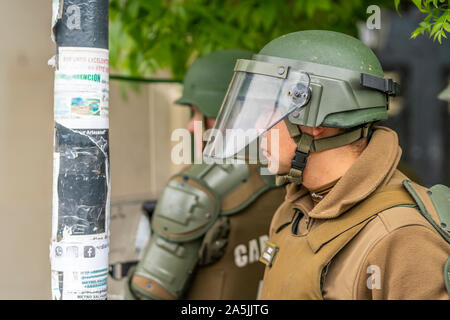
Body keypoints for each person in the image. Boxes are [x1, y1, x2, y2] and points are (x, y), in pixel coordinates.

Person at [203, 30, 450, 299]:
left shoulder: (404, 237)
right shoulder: (293, 211)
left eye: (268, 109)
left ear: (313, 122)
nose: (257, 126)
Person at [125, 49, 286, 300]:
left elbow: (148, 294)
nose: (190, 126)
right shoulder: (290, 173)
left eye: (195, 111)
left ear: (221, 111)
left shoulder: (196, 189)